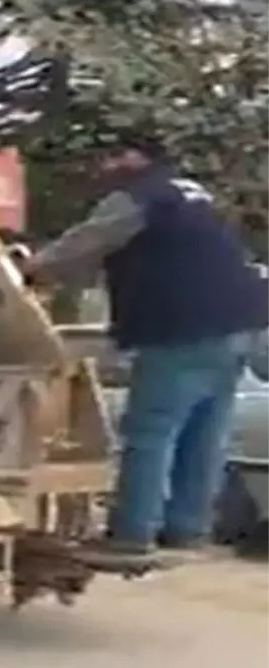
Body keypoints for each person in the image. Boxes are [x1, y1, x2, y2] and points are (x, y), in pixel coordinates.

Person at [19, 131, 269, 566]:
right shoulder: (191, 193)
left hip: (181, 328)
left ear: (137, 158)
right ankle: (185, 530)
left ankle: (132, 534)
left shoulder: (138, 196)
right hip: (240, 324)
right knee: (205, 432)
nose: (105, 166)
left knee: (151, 432)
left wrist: (28, 269)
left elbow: (87, 241)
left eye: (113, 156)